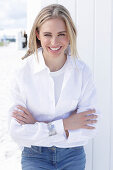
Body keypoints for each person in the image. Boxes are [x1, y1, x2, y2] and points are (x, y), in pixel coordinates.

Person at [8, 4, 99, 170]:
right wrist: (66, 124)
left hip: (73, 155)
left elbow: (90, 129)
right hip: (35, 156)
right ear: (37, 35)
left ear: (70, 35)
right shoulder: (22, 73)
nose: (54, 42)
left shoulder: (82, 72)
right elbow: (17, 132)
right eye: (47, 35)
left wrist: (37, 125)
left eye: (61, 34)